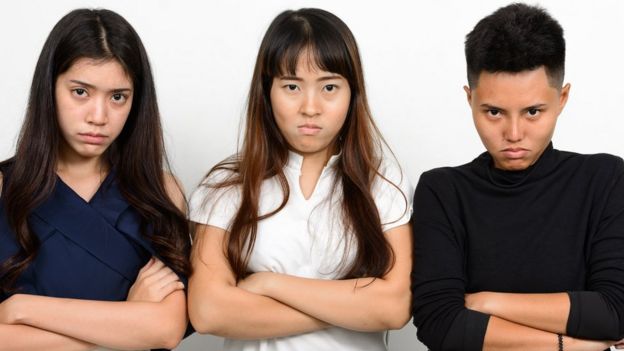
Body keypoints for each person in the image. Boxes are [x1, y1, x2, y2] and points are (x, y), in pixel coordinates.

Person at [187, 8, 412, 351]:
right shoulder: (225, 185)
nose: (310, 107)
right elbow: (208, 312)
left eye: (329, 87)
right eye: (292, 86)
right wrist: (352, 308)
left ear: (353, 94)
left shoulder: (383, 180)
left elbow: (395, 307)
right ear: (267, 91)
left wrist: (268, 284)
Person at [411, 3, 624, 351]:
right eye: (494, 112)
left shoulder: (604, 179)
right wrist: (570, 345)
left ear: (562, 98)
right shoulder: (443, 191)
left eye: (533, 112)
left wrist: (484, 302)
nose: (513, 133)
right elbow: (440, 324)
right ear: (470, 99)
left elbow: (615, 311)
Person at [0, 9, 191, 350]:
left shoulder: (161, 191)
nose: (99, 117)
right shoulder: (3, 188)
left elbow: (166, 328)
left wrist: (22, 309)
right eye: (81, 92)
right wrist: (127, 319)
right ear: (50, 89)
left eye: (118, 97)